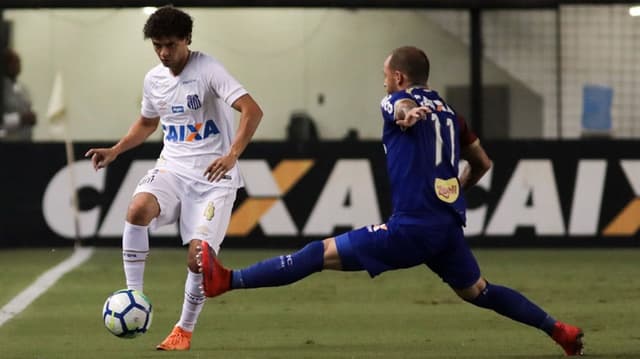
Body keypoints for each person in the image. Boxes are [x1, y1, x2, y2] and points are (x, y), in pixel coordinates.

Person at [197, 46, 584, 356]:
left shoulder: (397, 100)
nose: (384, 84)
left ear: (398, 77)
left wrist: (405, 111)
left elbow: (398, 109)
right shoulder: (452, 115)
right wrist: (453, 191)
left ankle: (227, 280)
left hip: (412, 228)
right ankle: (558, 330)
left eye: (385, 76)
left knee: (318, 253)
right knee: (479, 291)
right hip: (446, 227)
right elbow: (482, 162)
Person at [84, 6, 263, 351]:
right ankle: (133, 293)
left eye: (170, 45)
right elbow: (148, 123)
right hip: (172, 170)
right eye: (157, 46)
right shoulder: (154, 79)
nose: (164, 53)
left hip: (213, 179)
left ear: (187, 40)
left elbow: (252, 110)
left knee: (198, 257)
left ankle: (184, 328)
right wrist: (116, 150)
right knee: (137, 210)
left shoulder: (208, 69)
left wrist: (231, 155)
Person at [1, 48, 37, 141]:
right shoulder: (2, 90)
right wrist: (19, 119)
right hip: (6, 144)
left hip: (25, 142)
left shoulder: (23, 89)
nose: (18, 65)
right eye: (14, 62)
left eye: (19, 62)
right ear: (5, 65)